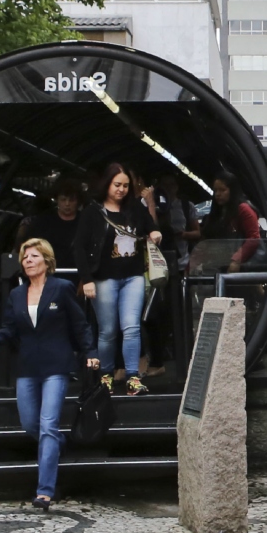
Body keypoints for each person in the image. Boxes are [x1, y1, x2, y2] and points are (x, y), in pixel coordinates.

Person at [0, 239, 99, 511]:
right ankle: (58, 442)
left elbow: (79, 325)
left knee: (48, 424)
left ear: (47, 261)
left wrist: (90, 352)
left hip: (56, 366)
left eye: (34, 256)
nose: (28, 261)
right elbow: (9, 327)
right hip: (27, 367)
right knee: (30, 424)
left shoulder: (61, 288)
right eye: (25, 257)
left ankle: (44, 491)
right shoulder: (16, 294)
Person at [72, 162, 162, 395]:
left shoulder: (134, 208)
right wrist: (87, 279)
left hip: (132, 276)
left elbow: (151, 226)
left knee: (131, 327)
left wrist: (154, 233)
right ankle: (106, 376)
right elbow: (79, 247)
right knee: (108, 330)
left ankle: (132, 377)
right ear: (107, 184)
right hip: (103, 278)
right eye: (117, 185)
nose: (121, 189)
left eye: (125, 185)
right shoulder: (93, 212)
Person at [197, 171, 261, 271]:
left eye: (222, 190)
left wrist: (236, 260)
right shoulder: (218, 212)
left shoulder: (243, 209)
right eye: (215, 190)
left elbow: (254, 238)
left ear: (233, 190)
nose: (218, 194)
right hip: (218, 265)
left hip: (239, 268)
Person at [16, 178, 84, 269]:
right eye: (63, 199)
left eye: (71, 200)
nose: (67, 204)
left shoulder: (86, 222)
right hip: (48, 274)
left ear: (78, 201)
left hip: (78, 274)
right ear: (57, 200)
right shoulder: (43, 222)